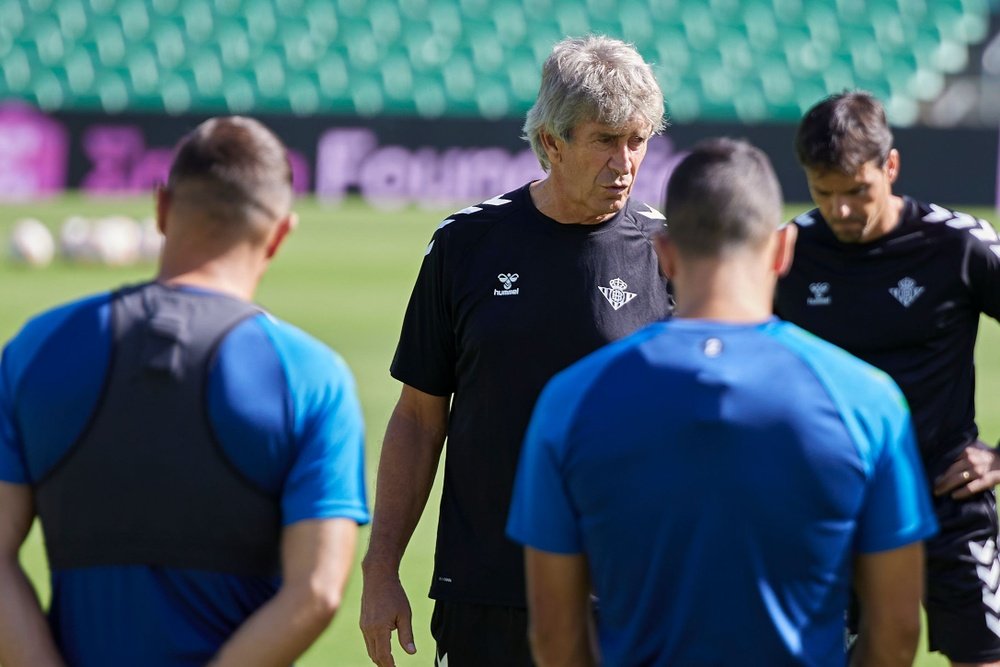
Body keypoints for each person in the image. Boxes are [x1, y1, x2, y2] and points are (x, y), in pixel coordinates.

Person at [507, 137, 938, 666]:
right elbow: (896, 629)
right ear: (783, 251)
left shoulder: (570, 401)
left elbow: (554, 633)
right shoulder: (868, 401)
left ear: (663, 253)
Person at [0, 116, 369, 667]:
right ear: (280, 234)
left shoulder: (38, 348)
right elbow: (316, 590)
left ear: (162, 209)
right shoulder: (312, 377)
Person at [359, 35, 674, 667]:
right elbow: (420, 419)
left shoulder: (669, 253)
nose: (625, 163)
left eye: (637, 140)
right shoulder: (465, 245)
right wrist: (382, 567)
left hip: (626, 596)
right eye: (605, 140)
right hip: (488, 594)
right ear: (552, 143)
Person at [776, 91, 1000, 667]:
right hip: (832, 511)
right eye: (824, 193)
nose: (841, 209)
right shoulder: (787, 253)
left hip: (947, 504)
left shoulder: (958, 245)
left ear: (890, 167)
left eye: (856, 191)